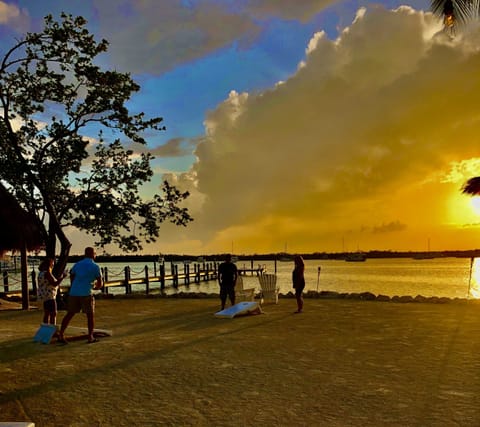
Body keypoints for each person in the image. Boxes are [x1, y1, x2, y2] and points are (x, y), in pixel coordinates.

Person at [58, 247, 102, 344]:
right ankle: (90, 336)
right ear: (93, 254)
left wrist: (74, 285)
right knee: (90, 316)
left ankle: (61, 334)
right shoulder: (95, 266)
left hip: (74, 292)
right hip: (86, 292)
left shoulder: (77, 264)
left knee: (70, 314)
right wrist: (95, 288)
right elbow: (100, 283)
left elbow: (72, 276)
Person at [37, 257, 67, 325]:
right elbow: (54, 283)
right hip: (50, 296)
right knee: (53, 313)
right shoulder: (47, 273)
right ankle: (52, 330)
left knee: (47, 313)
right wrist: (63, 277)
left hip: (44, 295)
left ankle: (45, 328)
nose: (53, 266)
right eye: (52, 265)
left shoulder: (40, 273)